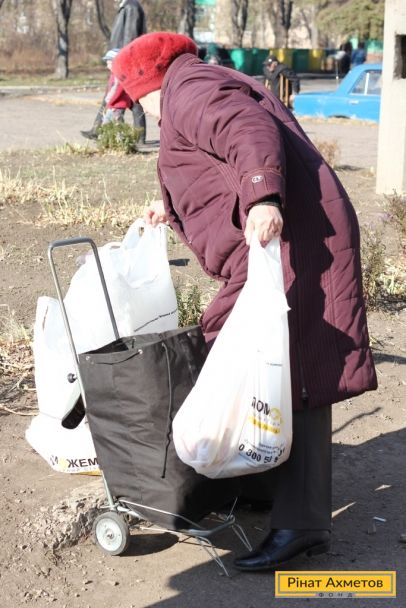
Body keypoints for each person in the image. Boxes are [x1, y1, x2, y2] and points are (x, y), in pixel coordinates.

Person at [112, 32, 377, 572]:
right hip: (280, 240)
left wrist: (262, 196)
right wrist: (171, 207)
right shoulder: (192, 87)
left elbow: (245, 129)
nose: (142, 111)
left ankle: (301, 524)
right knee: (263, 361)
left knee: (287, 368)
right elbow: (211, 162)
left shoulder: (189, 89)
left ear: (146, 83)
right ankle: (259, 481)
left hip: (290, 241)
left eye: (136, 100)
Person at [81, 0, 147, 142]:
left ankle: (137, 137)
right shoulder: (127, 6)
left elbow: (130, 35)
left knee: (129, 100)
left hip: (124, 59)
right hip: (121, 58)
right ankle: (99, 129)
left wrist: (123, 60)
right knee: (124, 98)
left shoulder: (131, 7)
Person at [99, 49, 132, 125]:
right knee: (109, 123)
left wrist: (109, 101)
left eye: (109, 63)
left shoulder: (118, 75)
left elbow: (117, 90)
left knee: (114, 124)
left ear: (117, 63)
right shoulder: (114, 74)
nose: (107, 66)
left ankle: (120, 133)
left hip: (116, 104)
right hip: (113, 104)